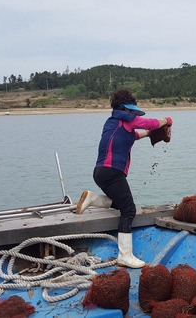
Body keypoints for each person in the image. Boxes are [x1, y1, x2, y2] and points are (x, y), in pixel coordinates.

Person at [75, 89, 172, 268]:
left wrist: (150, 134)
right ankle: (125, 255)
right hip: (112, 172)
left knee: (121, 203)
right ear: (125, 109)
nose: (133, 113)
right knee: (129, 211)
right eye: (131, 110)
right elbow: (149, 123)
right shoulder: (127, 119)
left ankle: (93, 199)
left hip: (100, 172)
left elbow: (134, 135)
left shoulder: (112, 122)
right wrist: (166, 121)